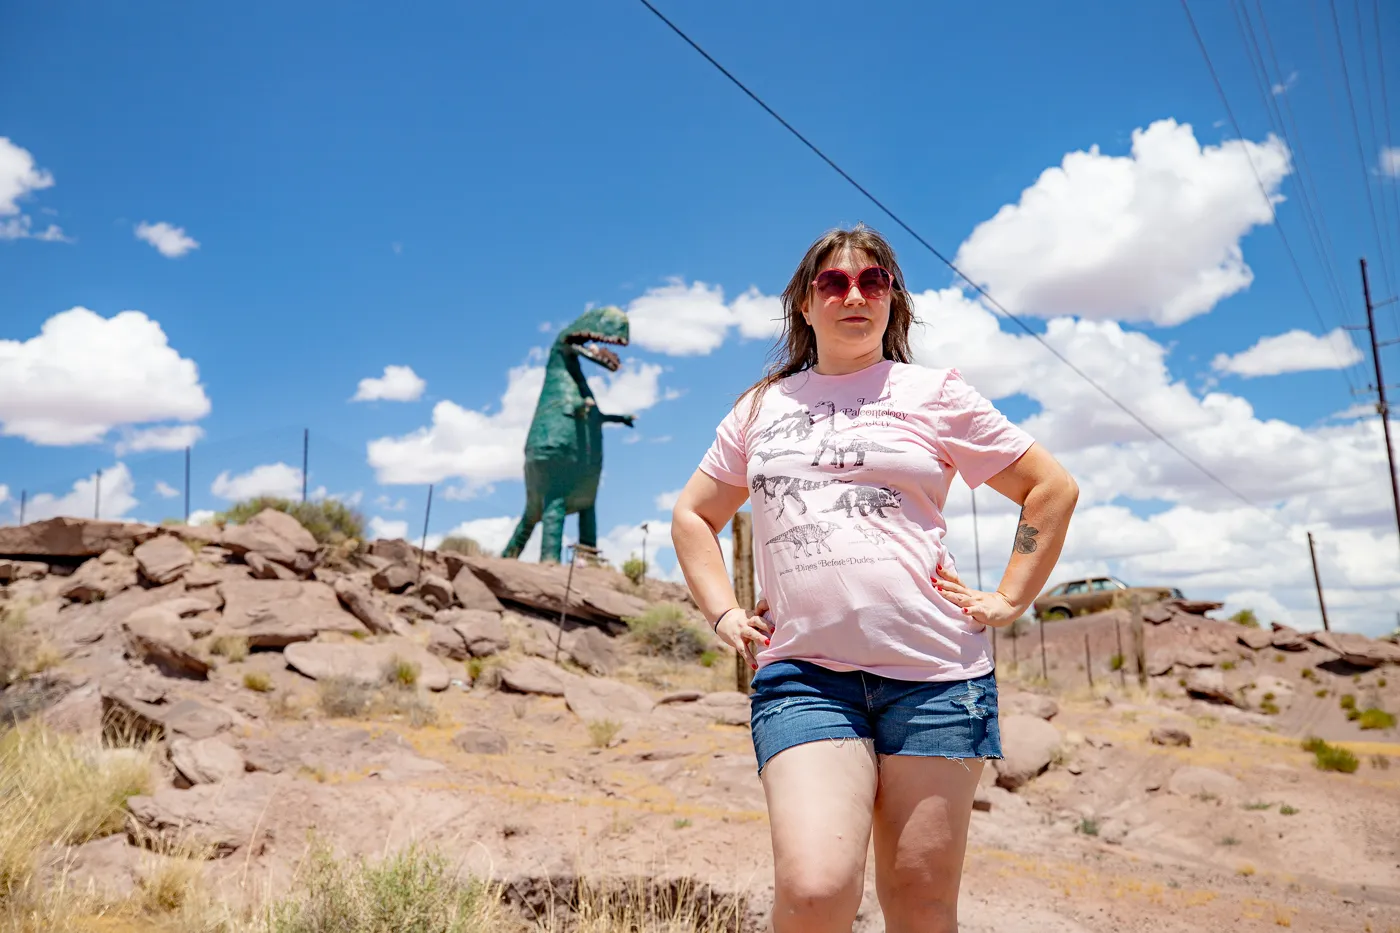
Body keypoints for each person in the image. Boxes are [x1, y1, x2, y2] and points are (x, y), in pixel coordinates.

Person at [670, 225, 1079, 933]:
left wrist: (1010, 595)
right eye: (833, 282)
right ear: (804, 302)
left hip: (938, 679)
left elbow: (1051, 486)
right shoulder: (761, 407)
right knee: (815, 889)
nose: (854, 295)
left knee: (920, 905)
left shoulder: (935, 393)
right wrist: (723, 612)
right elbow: (692, 514)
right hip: (808, 676)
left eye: (874, 281)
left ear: (894, 299)